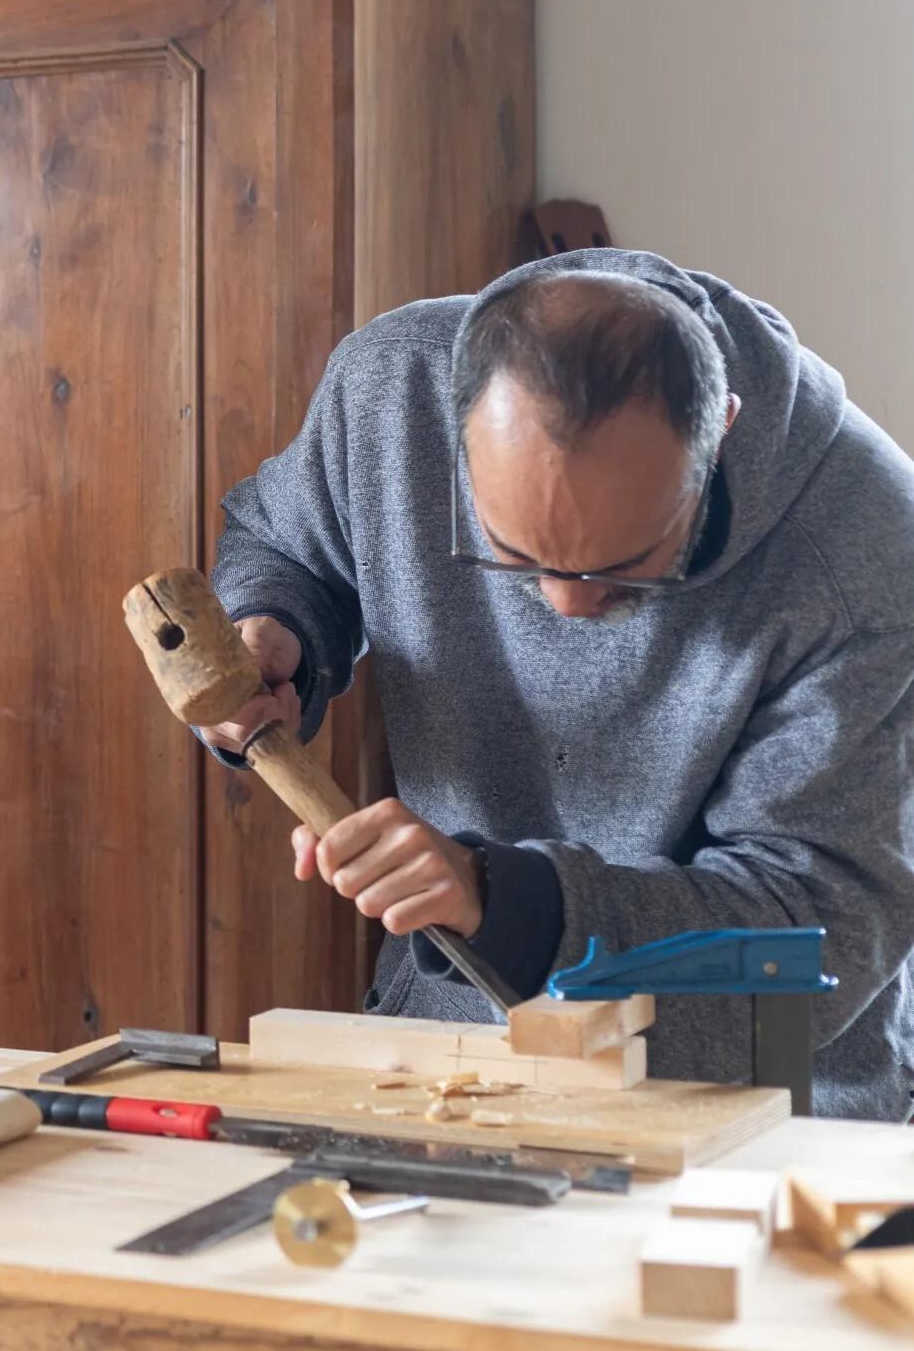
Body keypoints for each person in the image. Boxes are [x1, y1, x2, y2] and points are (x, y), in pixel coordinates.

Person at [204, 248, 914, 1118]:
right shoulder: (389, 392)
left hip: (760, 1097)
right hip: (453, 1063)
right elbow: (284, 540)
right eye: (514, 555)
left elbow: (811, 934)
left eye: (629, 564)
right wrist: (280, 627)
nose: (566, 603)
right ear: (448, 426)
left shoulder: (864, 549)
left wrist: (506, 901)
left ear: (721, 428)